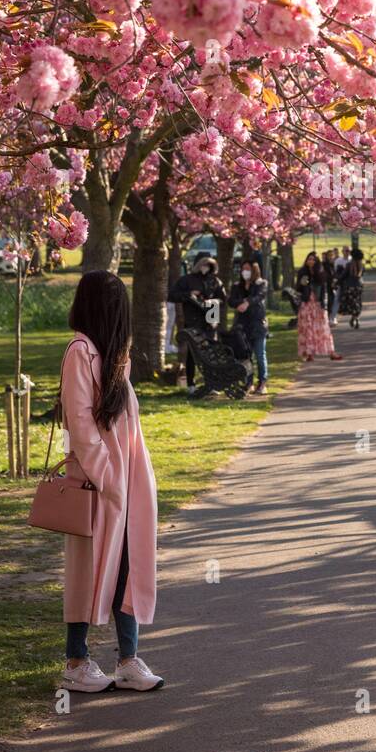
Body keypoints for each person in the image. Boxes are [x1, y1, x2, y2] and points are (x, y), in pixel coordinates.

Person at [60, 270, 162, 694]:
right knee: (88, 569)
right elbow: (80, 423)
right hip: (97, 482)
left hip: (127, 480)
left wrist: (128, 480)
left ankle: (127, 659)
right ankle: (76, 660)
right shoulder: (80, 352)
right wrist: (108, 478)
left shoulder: (115, 355)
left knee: (128, 566)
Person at [169, 255, 227, 396]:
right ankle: (191, 383)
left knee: (210, 353)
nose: (205, 268)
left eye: (209, 266)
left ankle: (211, 383)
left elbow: (223, 299)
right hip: (193, 320)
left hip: (210, 318)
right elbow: (172, 296)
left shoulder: (215, 281)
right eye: (204, 265)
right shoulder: (187, 280)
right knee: (192, 353)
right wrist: (189, 295)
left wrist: (213, 302)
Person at [228, 259, 269, 395]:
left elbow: (259, 296)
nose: (245, 272)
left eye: (248, 269)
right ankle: (248, 382)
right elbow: (231, 300)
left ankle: (262, 381)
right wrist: (240, 303)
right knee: (246, 356)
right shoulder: (237, 286)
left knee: (259, 354)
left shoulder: (261, 283)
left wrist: (247, 302)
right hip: (242, 325)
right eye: (243, 269)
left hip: (257, 324)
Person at [296, 252, 343, 362]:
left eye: (313, 259)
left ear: (316, 262)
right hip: (307, 304)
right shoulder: (302, 272)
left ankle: (331, 351)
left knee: (323, 328)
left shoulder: (321, 274)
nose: (311, 261)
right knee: (307, 329)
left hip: (318, 305)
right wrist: (302, 284)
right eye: (309, 259)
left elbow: (324, 291)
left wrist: (324, 306)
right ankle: (309, 353)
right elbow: (298, 288)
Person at [338, 247, 364, 327]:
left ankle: (354, 317)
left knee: (352, 304)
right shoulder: (361, 265)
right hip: (359, 286)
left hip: (350, 287)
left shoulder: (349, 265)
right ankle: (356, 318)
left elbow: (343, 276)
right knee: (358, 303)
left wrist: (338, 280)